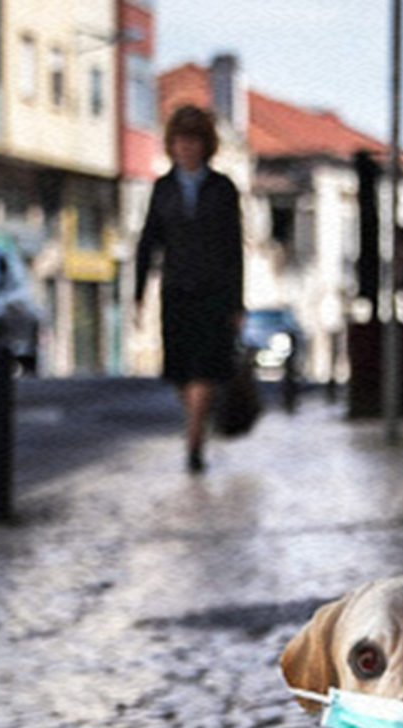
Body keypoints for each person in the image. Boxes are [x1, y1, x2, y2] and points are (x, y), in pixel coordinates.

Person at [135, 104, 245, 473]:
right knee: (182, 373)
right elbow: (149, 241)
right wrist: (138, 293)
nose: (187, 148)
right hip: (177, 292)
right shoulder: (163, 189)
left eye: (194, 141)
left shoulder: (223, 189)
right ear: (172, 145)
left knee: (204, 370)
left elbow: (234, 249)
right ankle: (197, 424)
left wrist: (237, 303)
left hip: (214, 295)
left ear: (205, 145)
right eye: (181, 141)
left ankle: (193, 443)